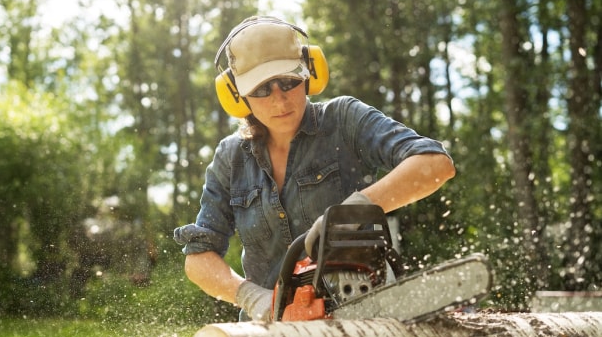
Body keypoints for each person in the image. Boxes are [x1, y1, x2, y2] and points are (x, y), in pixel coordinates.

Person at [173, 16, 455, 321]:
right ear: (237, 94)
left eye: (289, 81)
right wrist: (255, 299)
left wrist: (354, 211)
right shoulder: (231, 158)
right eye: (262, 89)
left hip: (366, 320)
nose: (279, 98)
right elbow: (199, 257)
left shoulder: (344, 120)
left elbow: (434, 163)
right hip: (271, 332)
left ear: (309, 72)